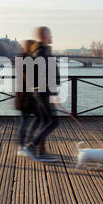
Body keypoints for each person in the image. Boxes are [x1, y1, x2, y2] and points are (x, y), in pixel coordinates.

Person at [23, 27, 60, 162]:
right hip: (45, 92)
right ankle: (32, 146)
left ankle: (41, 151)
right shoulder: (43, 53)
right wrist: (54, 94)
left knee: (45, 121)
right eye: (50, 33)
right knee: (54, 122)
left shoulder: (39, 52)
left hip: (41, 91)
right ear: (44, 36)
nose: (52, 36)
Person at [15, 40, 40, 156]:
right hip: (27, 96)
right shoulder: (28, 60)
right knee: (29, 120)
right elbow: (30, 78)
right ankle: (24, 145)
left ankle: (25, 144)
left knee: (26, 120)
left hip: (24, 95)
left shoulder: (22, 59)